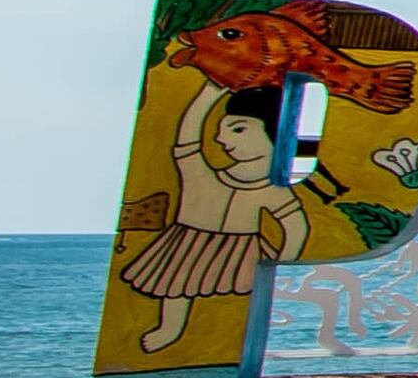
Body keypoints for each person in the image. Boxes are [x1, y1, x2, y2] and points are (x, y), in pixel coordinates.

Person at [117, 83, 312, 352]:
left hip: (238, 251)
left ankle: (234, 340)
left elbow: (296, 227)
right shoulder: (201, 176)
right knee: (176, 285)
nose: (221, 139)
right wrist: (208, 95)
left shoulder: (272, 191)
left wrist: (283, 262)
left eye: (238, 129)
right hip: (188, 242)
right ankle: (170, 329)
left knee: (242, 299)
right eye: (222, 130)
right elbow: (186, 141)